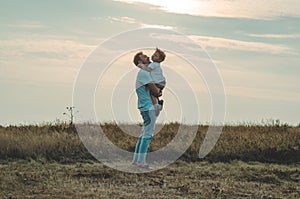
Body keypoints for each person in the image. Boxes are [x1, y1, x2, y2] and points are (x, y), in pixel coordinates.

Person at [132, 52, 162, 169]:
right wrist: (159, 92)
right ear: (140, 62)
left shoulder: (143, 73)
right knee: (148, 135)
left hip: (144, 107)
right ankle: (141, 162)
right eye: (144, 57)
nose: (147, 57)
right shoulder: (144, 73)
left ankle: (136, 160)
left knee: (144, 134)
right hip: (148, 107)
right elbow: (154, 90)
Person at [137, 48, 166, 116]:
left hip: (158, 83)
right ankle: (158, 103)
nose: (152, 56)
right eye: (154, 54)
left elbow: (148, 69)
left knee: (152, 94)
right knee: (154, 95)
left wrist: (141, 65)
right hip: (161, 82)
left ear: (159, 60)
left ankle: (156, 106)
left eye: (156, 56)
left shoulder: (154, 64)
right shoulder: (155, 64)